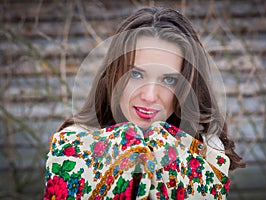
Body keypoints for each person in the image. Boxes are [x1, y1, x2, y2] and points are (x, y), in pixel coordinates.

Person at [44, 7, 245, 200]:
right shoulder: (73, 148)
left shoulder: (207, 155)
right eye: (136, 74)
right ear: (114, 74)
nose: (149, 96)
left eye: (169, 80)